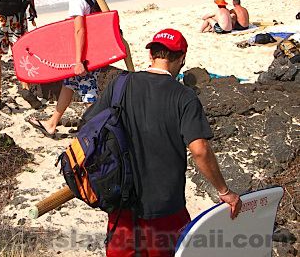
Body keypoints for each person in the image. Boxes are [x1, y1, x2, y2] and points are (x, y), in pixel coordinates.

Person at [84, 29, 242, 257]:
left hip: (122, 201)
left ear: (151, 55)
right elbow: (199, 150)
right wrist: (224, 191)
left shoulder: (120, 85)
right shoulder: (184, 96)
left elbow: (89, 128)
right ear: (181, 59)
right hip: (165, 205)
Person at [28, 0, 100, 138]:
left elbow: (80, 29)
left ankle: (100, 131)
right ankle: (52, 123)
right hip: (93, 50)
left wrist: (79, 61)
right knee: (68, 85)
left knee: (89, 93)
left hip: (85, 55)